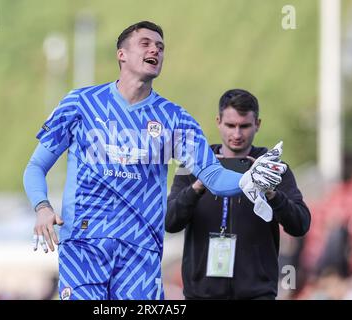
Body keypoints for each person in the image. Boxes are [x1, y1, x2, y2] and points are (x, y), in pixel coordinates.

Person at [23, 22, 283, 300]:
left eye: (160, 47)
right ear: (121, 54)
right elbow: (36, 167)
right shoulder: (80, 103)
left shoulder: (175, 119)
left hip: (140, 251)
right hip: (84, 243)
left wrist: (248, 179)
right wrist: (42, 206)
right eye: (145, 43)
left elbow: (214, 177)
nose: (155, 50)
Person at [165, 89, 311, 300]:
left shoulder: (274, 168)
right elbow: (170, 222)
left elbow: (300, 224)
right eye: (230, 125)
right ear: (218, 121)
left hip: (257, 293)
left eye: (244, 126)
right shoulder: (193, 165)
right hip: (201, 294)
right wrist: (197, 187)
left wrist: (271, 193)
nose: (237, 134)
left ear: (257, 124)